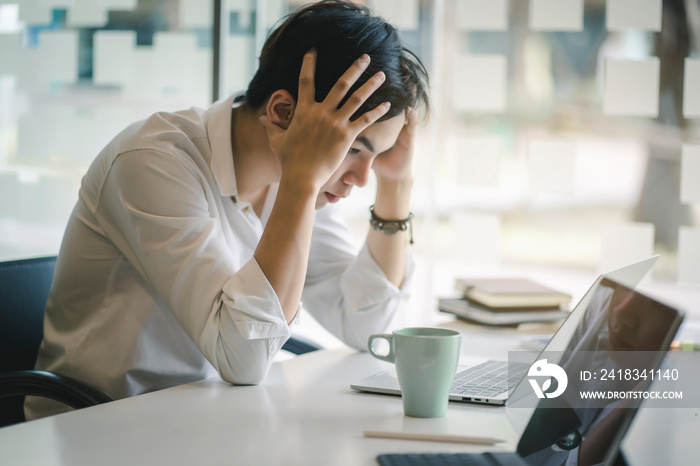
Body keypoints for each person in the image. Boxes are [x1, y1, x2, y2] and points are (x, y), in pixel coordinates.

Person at [25, 0, 429, 420]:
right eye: (353, 148)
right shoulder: (153, 161)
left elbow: (367, 327)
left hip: (204, 420)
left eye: (374, 156)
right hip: (95, 428)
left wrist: (396, 184)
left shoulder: (297, 178)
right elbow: (243, 359)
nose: (362, 178)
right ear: (282, 112)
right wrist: (301, 182)